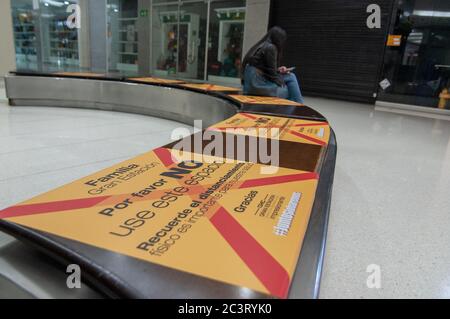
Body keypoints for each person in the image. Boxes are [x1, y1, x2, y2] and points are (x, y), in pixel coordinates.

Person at [242, 26, 304, 104]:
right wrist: (281, 78)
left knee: (289, 84)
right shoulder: (271, 47)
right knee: (291, 77)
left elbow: (265, 69)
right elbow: (272, 75)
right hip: (257, 85)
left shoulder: (260, 45)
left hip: (250, 85)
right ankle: (299, 104)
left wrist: (278, 70)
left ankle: (296, 103)